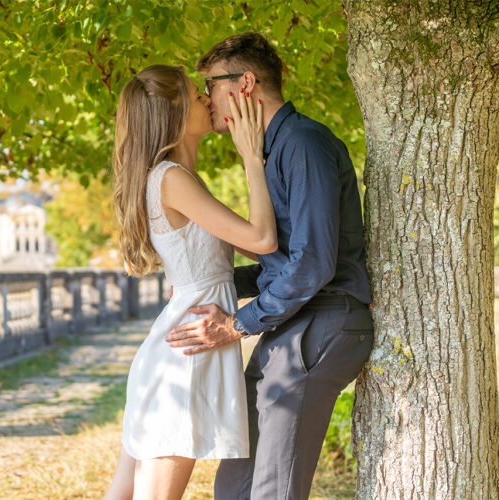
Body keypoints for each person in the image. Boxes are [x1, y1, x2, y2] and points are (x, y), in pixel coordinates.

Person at [165, 32, 374, 499]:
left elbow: (314, 263)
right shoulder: (269, 149)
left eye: (211, 87)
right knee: (235, 485)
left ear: (245, 83)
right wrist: (209, 284)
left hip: (323, 322)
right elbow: (280, 265)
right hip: (291, 322)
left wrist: (237, 324)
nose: (206, 99)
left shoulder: (302, 143)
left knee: (272, 490)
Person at [103, 64, 277, 500]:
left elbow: (254, 249)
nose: (207, 99)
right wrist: (251, 157)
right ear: (175, 114)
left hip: (176, 346)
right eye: (196, 95)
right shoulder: (172, 179)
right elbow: (262, 237)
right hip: (185, 354)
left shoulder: (176, 179)